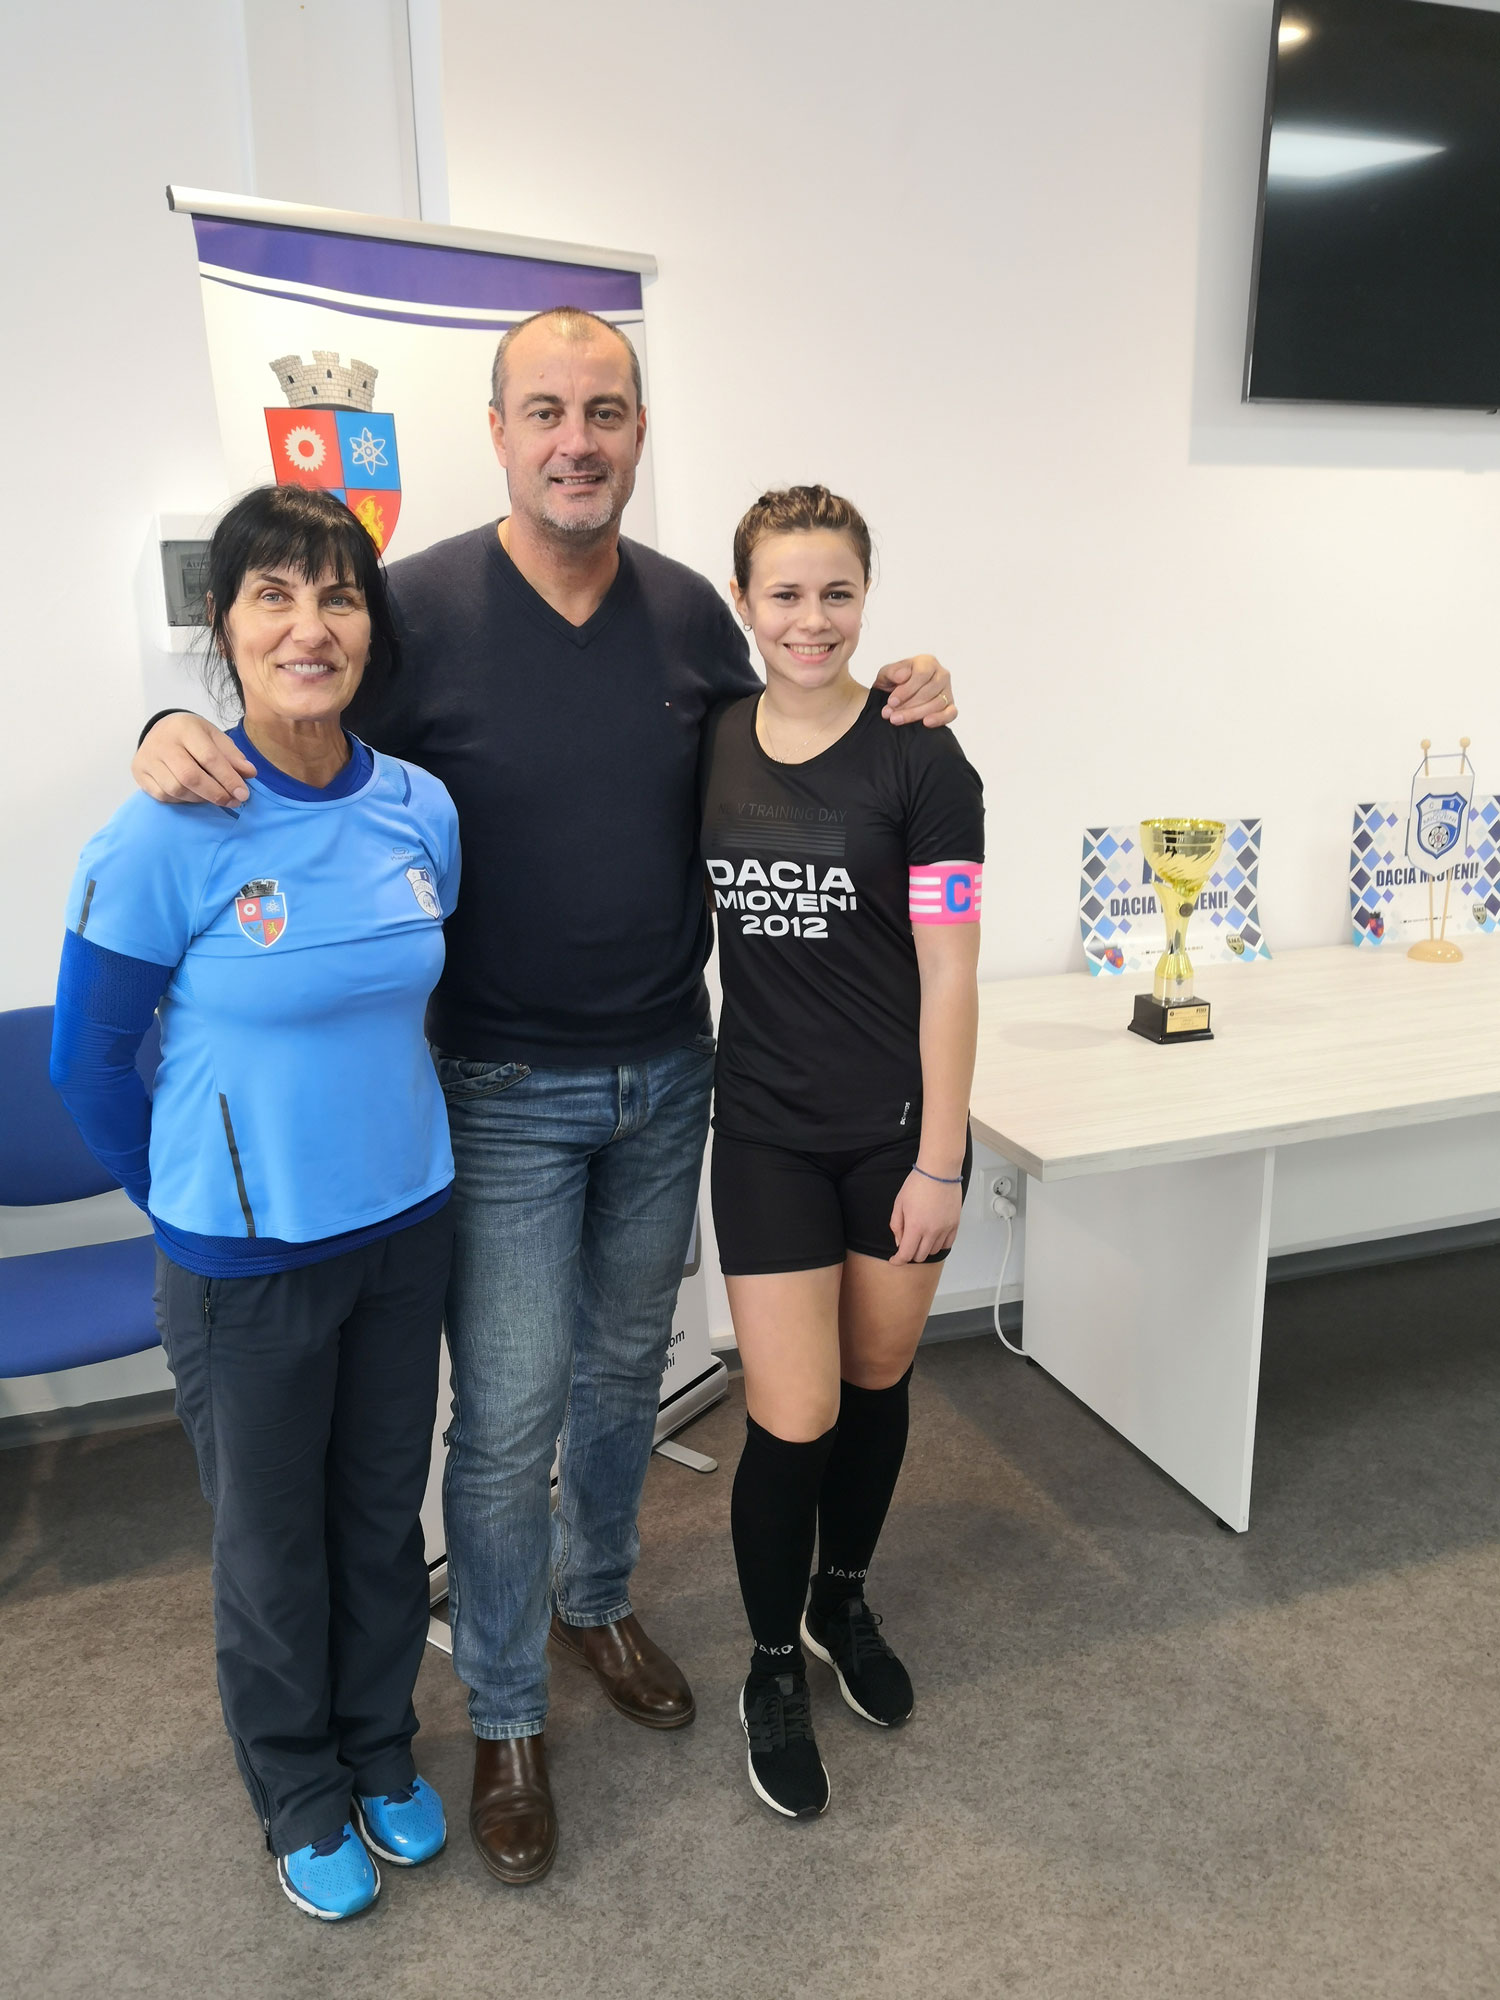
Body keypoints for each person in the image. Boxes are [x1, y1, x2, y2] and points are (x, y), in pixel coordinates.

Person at [130, 307, 960, 1884]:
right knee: (503, 1422)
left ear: (639, 434)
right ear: (498, 427)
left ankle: (593, 1607)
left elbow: (804, 700)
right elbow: (286, 733)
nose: (577, 439)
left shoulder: (692, 623)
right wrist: (165, 726)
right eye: (546, 412)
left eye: (607, 411)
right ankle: (505, 1706)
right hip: (499, 1085)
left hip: (671, 1073)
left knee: (618, 1386)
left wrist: (906, 674)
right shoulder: (418, 607)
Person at [53, 485, 460, 1919]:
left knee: (372, 1520)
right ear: (224, 629)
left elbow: (411, 993)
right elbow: (88, 1057)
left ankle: (378, 1745)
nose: (310, 624)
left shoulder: (421, 807)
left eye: (338, 594)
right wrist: (181, 1205)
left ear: (369, 624)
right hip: (244, 1262)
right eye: (274, 595)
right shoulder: (171, 824)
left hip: (406, 1232)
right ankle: (295, 1785)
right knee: (271, 1545)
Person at [702, 485, 983, 1819]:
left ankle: (840, 1604)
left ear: (866, 596)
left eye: (836, 593)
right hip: (760, 1128)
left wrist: (940, 1157)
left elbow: (951, 969)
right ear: (745, 602)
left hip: (894, 1140)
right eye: (784, 594)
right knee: (791, 1412)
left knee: (876, 1382)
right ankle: (768, 1664)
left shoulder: (928, 761)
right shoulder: (708, 742)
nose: (810, 620)